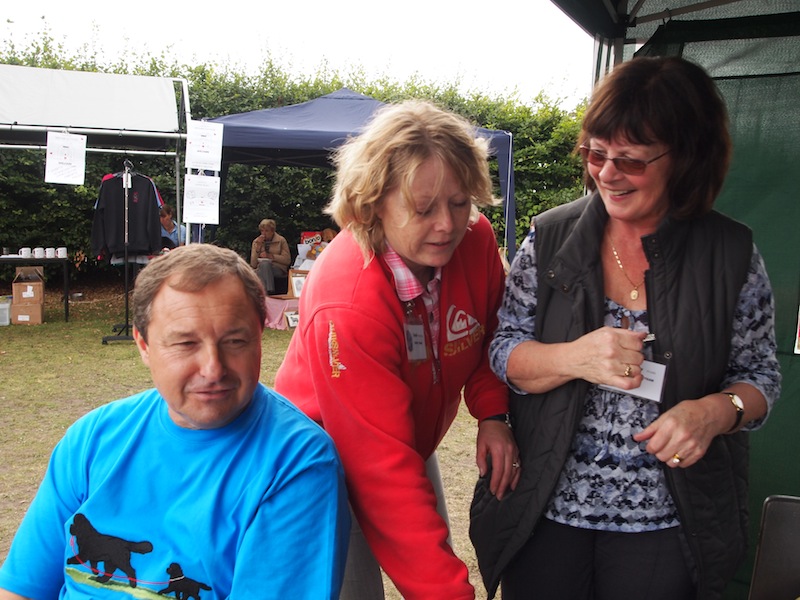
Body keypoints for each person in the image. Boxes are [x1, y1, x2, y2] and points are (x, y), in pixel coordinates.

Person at [469, 56, 782, 600]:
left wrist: (714, 413)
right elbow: (504, 351)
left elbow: (761, 378)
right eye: (596, 153)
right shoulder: (550, 238)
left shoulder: (731, 254)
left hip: (667, 526)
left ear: (686, 158)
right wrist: (575, 358)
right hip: (546, 512)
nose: (607, 174)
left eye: (630, 161)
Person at [0, 244, 349, 600]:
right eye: (185, 343)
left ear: (260, 336)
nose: (213, 369)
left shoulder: (297, 464)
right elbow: (20, 589)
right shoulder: (92, 440)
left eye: (234, 341)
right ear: (143, 345)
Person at [274, 99, 520, 599]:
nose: (447, 225)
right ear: (372, 205)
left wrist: (493, 414)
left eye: (460, 202)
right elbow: (380, 474)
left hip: (403, 437)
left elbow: (490, 330)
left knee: (430, 552)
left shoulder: (473, 239)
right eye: (423, 209)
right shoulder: (349, 300)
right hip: (320, 463)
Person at [250, 218, 291, 294]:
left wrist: (271, 256)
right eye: (262, 231)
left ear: (272, 231)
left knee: (265, 265)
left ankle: (266, 293)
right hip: (261, 268)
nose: (263, 234)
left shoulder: (281, 240)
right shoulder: (256, 242)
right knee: (262, 267)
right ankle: (269, 292)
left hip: (277, 267)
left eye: (266, 231)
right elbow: (253, 264)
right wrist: (258, 248)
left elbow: (287, 260)